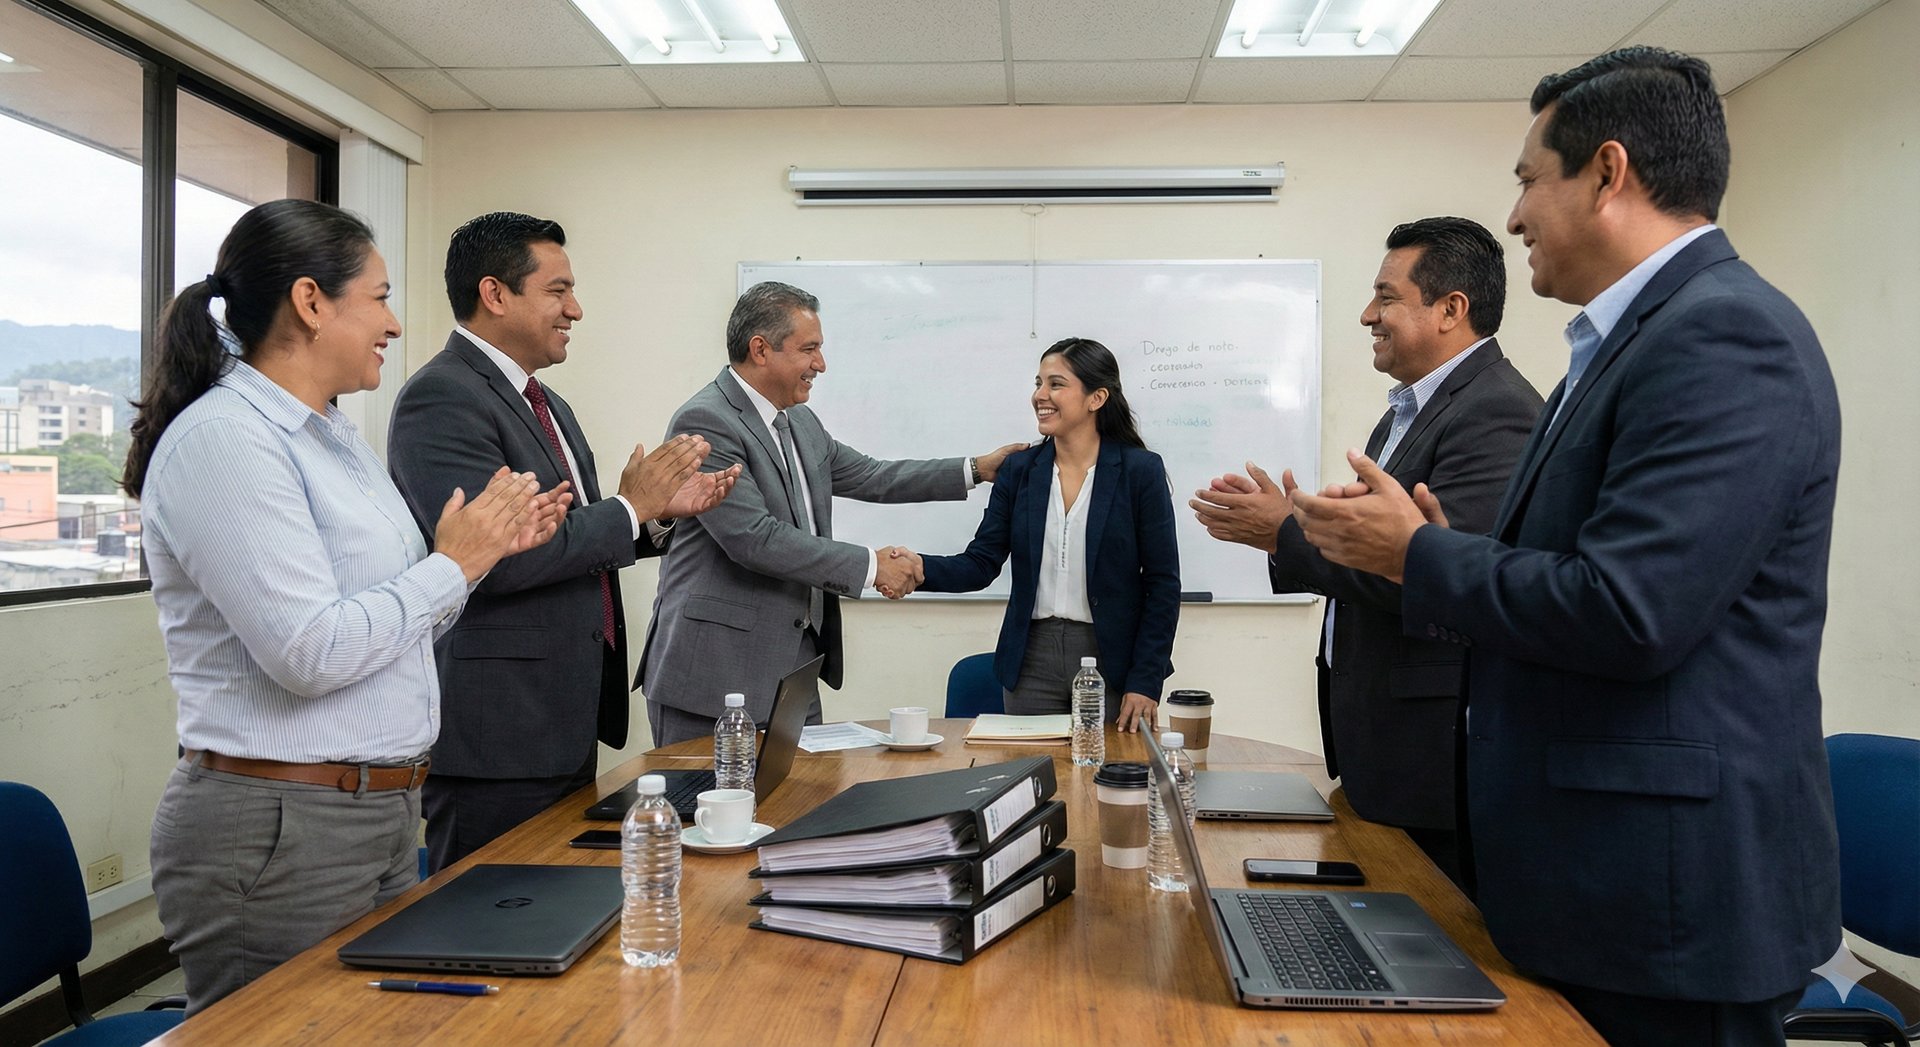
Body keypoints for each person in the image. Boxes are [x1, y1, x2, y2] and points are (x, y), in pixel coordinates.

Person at [1287, 47, 1842, 1046]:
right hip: (1596, 883)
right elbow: (1571, 572)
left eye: (1528, 180)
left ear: (1607, 173)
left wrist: (1418, 556)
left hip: (1665, 906)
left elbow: (1630, 611)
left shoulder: (1723, 335)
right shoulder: (1630, 342)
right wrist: (1436, 548)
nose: (1513, 218)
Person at [126, 199, 565, 1011]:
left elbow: (395, 620)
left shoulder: (334, 437)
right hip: (283, 824)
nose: (394, 323)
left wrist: (477, 560)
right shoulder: (227, 440)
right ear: (310, 301)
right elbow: (311, 652)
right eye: (380, 297)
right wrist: (454, 563)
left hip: (379, 809)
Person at [1190, 217, 1540, 883]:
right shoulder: (1409, 409)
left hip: (1432, 754)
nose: (1366, 316)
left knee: (1436, 923)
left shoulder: (1496, 410)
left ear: (1451, 309)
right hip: (1383, 740)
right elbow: (1380, 547)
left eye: (1386, 297)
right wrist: (1299, 522)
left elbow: (1434, 569)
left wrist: (1285, 531)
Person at [386, 212, 738, 873]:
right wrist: (629, 507)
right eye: (558, 290)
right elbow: (495, 559)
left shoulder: (547, 403)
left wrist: (655, 518)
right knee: (488, 912)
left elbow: (572, 539)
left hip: (562, 714)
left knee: (552, 908)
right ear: (495, 294)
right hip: (499, 731)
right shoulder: (442, 397)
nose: (575, 309)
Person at [637, 281, 1026, 746]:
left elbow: (873, 475)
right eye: (809, 349)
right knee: (707, 794)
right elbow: (755, 539)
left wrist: (977, 469)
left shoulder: (799, 420)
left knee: (800, 795)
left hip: (793, 671)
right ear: (760, 349)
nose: (820, 364)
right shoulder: (707, 420)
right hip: (714, 678)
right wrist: (873, 566)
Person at [916, 337, 1179, 732]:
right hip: (1030, 661)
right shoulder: (1020, 470)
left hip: (1112, 661)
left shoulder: (1140, 471)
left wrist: (1146, 680)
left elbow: (1162, 584)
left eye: (1056, 384)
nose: (1040, 395)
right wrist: (917, 568)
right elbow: (980, 563)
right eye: (1038, 383)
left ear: (1096, 398)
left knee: (1108, 768)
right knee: (1033, 768)